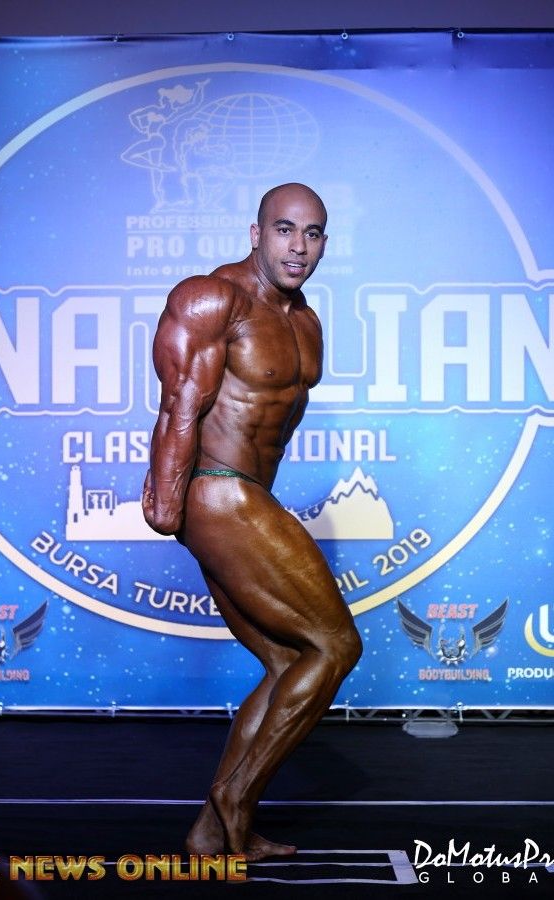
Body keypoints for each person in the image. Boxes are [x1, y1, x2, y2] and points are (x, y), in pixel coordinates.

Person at [142, 183, 362, 860]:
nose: (299, 247)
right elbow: (181, 402)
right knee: (336, 646)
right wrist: (167, 500)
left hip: (247, 496)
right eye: (285, 230)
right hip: (219, 492)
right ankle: (234, 797)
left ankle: (211, 834)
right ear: (256, 233)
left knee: (289, 660)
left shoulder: (306, 321)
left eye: (313, 234)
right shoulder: (214, 298)